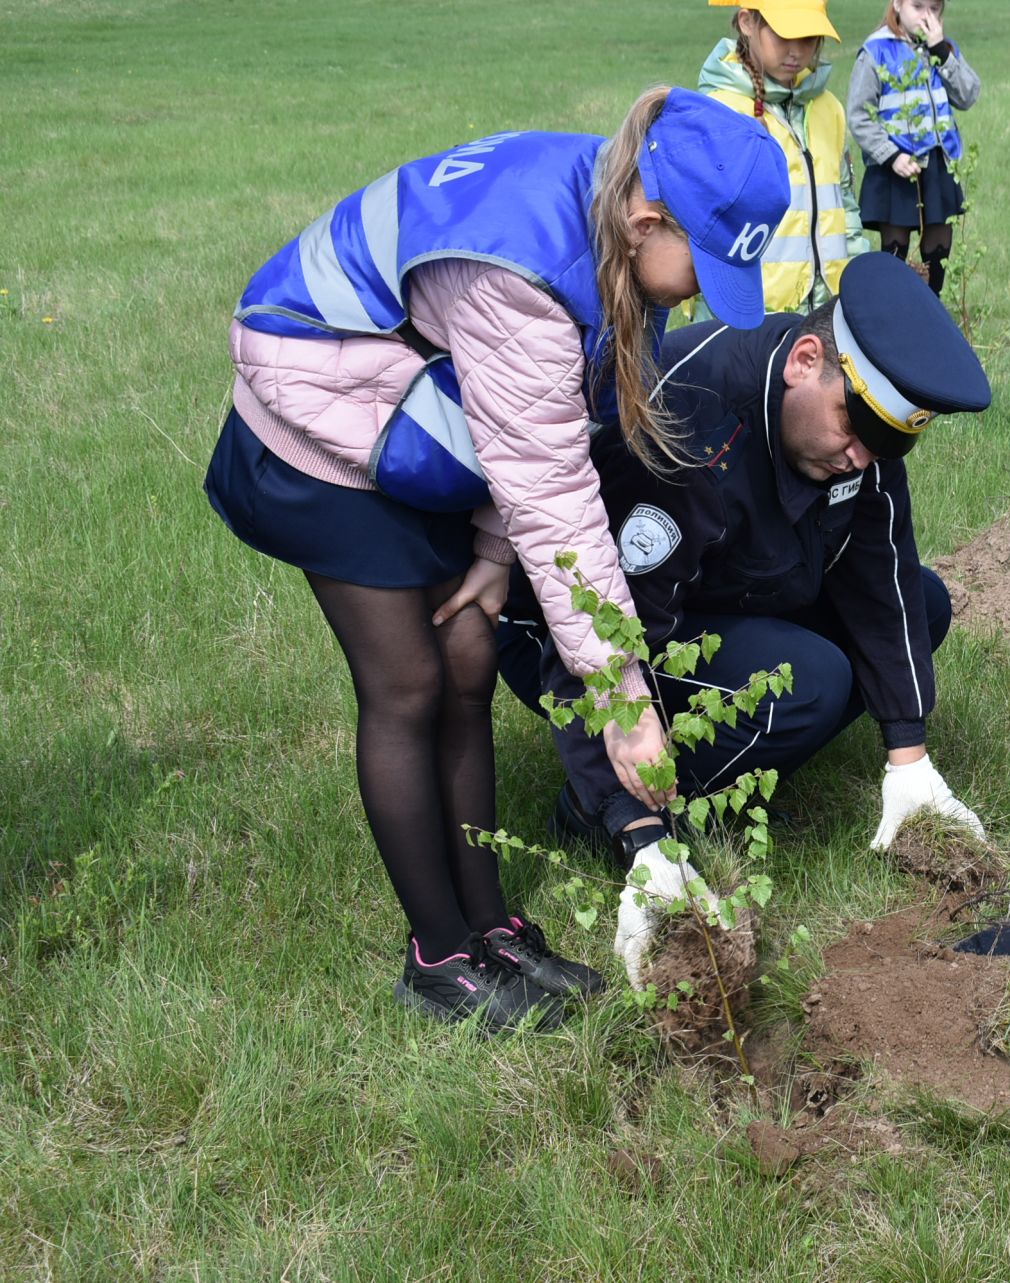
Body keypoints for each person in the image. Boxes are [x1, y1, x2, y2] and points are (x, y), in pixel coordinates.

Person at [204, 88, 787, 1033]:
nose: (697, 293)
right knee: (408, 684)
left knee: (470, 658)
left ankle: (491, 925)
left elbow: (535, 421)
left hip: (413, 401)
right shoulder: (526, 271)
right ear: (649, 219)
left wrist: (486, 552)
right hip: (319, 406)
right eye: (702, 266)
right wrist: (624, 698)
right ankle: (439, 958)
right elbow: (550, 487)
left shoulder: (613, 224)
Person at [493, 251, 990, 981]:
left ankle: (720, 775)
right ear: (805, 359)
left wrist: (908, 756)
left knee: (926, 601)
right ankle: (602, 805)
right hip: (582, 632)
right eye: (856, 429)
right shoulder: (690, 428)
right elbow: (591, 623)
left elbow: (881, 577)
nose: (862, 458)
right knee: (812, 680)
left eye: (890, 443)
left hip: (714, 597)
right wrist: (640, 835)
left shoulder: (854, 439)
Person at [696, 0, 870, 317]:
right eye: (783, 35)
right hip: (754, 312)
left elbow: (844, 205)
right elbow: (701, 227)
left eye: (807, 38)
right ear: (747, 22)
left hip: (830, 305)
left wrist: (858, 279)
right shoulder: (719, 111)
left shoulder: (828, 109)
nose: (796, 51)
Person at [846, 0, 979, 297]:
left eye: (934, 8)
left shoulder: (942, 49)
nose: (926, 16)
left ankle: (931, 310)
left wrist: (942, 53)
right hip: (897, 164)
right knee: (895, 251)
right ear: (897, 4)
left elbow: (969, 95)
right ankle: (890, 315)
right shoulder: (876, 50)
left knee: (939, 247)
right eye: (917, 6)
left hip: (937, 163)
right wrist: (890, 155)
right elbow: (858, 114)